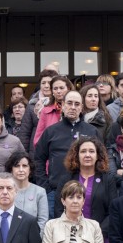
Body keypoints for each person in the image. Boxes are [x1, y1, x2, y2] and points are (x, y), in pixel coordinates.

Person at [34, 90, 99, 218]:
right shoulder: (51, 131)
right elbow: (38, 159)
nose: (73, 107)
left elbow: (101, 160)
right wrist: (45, 186)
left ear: (81, 107)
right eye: (69, 103)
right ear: (62, 105)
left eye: (77, 104)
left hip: (85, 192)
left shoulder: (92, 131)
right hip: (55, 192)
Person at [6, 151, 48, 233]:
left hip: (33, 240)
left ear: (30, 169)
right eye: (17, 166)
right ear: (11, 169)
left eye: (24, 166)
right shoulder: (4, 191)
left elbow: (43, 221)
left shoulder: (40, 192)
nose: (21, 170)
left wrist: (35, 240)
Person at [16, 69, 58, 151]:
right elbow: (25, 133)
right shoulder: (32, 105)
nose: (46, 86)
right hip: (36, 151)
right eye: (43, 83)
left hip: (55, 149)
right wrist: (24, 155)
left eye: (49, 83)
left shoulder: (61, 104)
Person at [32, 75, 72, 148]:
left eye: (61, 88)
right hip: (52, 155)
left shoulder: (75, 108)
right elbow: (38, 139)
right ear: (52, 91)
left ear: (68, 88)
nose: (58, 91)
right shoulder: (45, 111)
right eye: (55, 88)